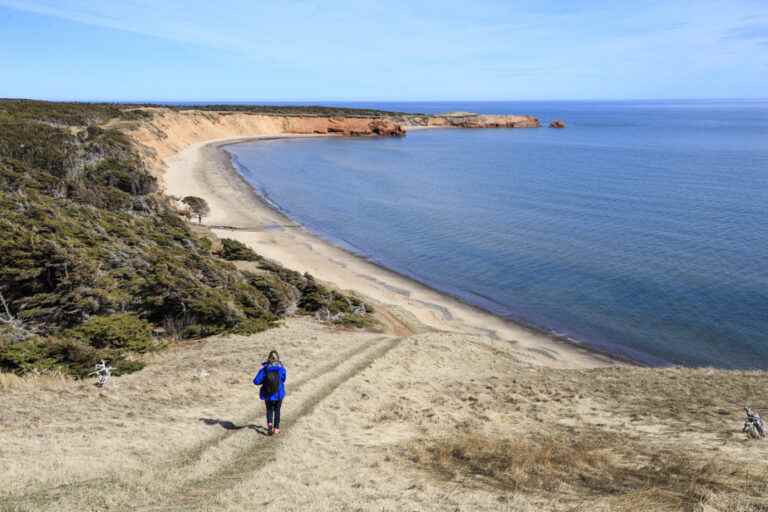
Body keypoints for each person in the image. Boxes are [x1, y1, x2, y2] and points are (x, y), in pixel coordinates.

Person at [253, 350, 287, 435]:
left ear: (268, 358)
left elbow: (256, 381)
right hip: (279, 393)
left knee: (269, 410)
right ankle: (276, 428)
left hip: (268, 394)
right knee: (277, 410)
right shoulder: (281, 368)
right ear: (278, 358)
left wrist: (264, 380)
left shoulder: (265, 369)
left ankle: (270, 425)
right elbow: (283, 379)